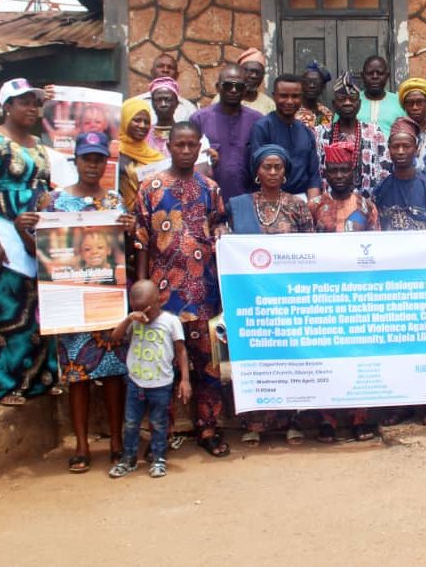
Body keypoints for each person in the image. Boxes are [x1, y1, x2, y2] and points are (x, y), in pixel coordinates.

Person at [31, 131, 134, 473]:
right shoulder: (53, 201)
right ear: (75, 160)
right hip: (71, 300)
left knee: (115, 373)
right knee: (77, 375)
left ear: (106, 162)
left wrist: (130, 229)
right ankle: (82, 446)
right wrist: (21, 227)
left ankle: (117, 443)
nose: (93, 165)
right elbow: (41, 250)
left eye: (98, 159)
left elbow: (128, 248)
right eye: (87, 158)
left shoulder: (115, 202)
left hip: (107, 299)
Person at [134, 121, 229, 459]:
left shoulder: (210, 188)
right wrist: (142, 288)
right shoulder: (151, 187)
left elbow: (219, 229)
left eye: (192, 145)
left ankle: (208, 427)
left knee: (207, 364)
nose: (186, 151)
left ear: (199, 147)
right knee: (163, 365)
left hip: (204, 292)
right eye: (180, 145)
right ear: (169, 146)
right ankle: (162, 434)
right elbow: (141, 240)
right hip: (163, 295)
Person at [224, 144, 314, 446]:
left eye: (278, 167)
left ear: (285, 171)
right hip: (252, 296)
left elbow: (311, 250)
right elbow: (222, 235)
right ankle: (255, 423)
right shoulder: (239, 206)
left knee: (290, 358)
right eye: (267, 167)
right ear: (257, 171)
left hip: (289, 295)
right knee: (256, 356)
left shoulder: (298, 205)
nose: (273, 172)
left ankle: (292, 421)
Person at [373, 117, 426, 426]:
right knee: (396, 342)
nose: (401, 151)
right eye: (396, 147)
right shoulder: (381, 189)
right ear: (389, 151)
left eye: (406, 146)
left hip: (425, 278)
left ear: (416, 149)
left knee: (425, 340)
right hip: (392, 280)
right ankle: (401, 402)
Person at [309, 142, 380, 442]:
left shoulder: (367, 207)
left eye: (344, 170)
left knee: (358, 356)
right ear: (325, 173)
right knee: (326, 356)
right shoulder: (314, 207)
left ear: (355, 172)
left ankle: (360, 418)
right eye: (333, 170)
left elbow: (377, 249)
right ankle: (327, 419)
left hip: (358, 294)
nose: (339, 176)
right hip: (323, 295)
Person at [0, 78, 55, 405]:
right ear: (7, 106)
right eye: (24, 102)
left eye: (36, 103)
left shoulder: (39, 144)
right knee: (10, 305)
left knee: (40, 305)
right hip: (4, 229)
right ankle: (5, 384)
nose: (32, 109)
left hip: (37, 234)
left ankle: (39, 379)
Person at [108, 280, 191, 479]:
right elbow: (114, 338)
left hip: (161, 384)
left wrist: (185, 380)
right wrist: (129, 319)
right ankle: (128, 459)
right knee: (131, 423)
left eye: (148, 310)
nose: (144, 315)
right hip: (135, 383)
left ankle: (159, 458)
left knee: (159, 423)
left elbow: (181, 351)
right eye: (138, 310)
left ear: (159, 301)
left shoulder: (171, 322)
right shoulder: (133, 321)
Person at [190, 64, 261, 202]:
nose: (233, 90)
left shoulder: (257, 120)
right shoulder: (199, 119)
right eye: (228, 85)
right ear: (218, 88)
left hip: (248, 200)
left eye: (239, 86)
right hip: (209, 199)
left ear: (245, 90)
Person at [315, 72, 390, 198]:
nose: (347, 103)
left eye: (352, 99)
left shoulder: (374, 133)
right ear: (333, 104)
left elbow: (385, 172)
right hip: (329, 204)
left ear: (359, 104)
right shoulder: (319, 134)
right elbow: (314, 174)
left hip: (367, 203)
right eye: (342, 99)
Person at [249, 74, 321, 199]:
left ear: (301, 98)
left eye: (295, 96)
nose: (289, 101)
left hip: (302, 200)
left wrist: (312, 205)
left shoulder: (307, 132)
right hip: (270, 199)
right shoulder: (262, 128)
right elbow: (257, 171)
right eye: (284, 96)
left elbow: (313, 177)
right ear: (274, 96)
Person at [118, 97, 165, 212]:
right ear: (125, 119)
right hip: (120, 217)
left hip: (152, 217)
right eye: (137, 120)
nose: (142, 125)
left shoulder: (157, 157)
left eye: (146, 122)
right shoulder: (113, 152)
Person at [212, 48, 276, 116]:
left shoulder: (269, 104)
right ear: (239, 72)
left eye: (258, 72)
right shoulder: (220, 99)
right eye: (249, 71)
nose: (253, 76)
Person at [135, 53, 196, 122]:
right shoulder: (136, 103)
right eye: (160, 66)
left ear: (177, 75)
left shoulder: (189, 108)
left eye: (170, 67)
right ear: (152, 72)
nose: (165, 70)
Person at [357, 55, 405, 137]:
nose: (375, 76)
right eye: (370, 73)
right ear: (362, 76)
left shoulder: (400, 102)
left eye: (380, 73)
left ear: (387, 76)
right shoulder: (351, 102)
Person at [296, 60, 333, 131]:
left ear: (322, 86)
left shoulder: (326, 112)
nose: (311, 85)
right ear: (301, 84)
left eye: (316, 82)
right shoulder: (293, 111)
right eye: (308, 81)